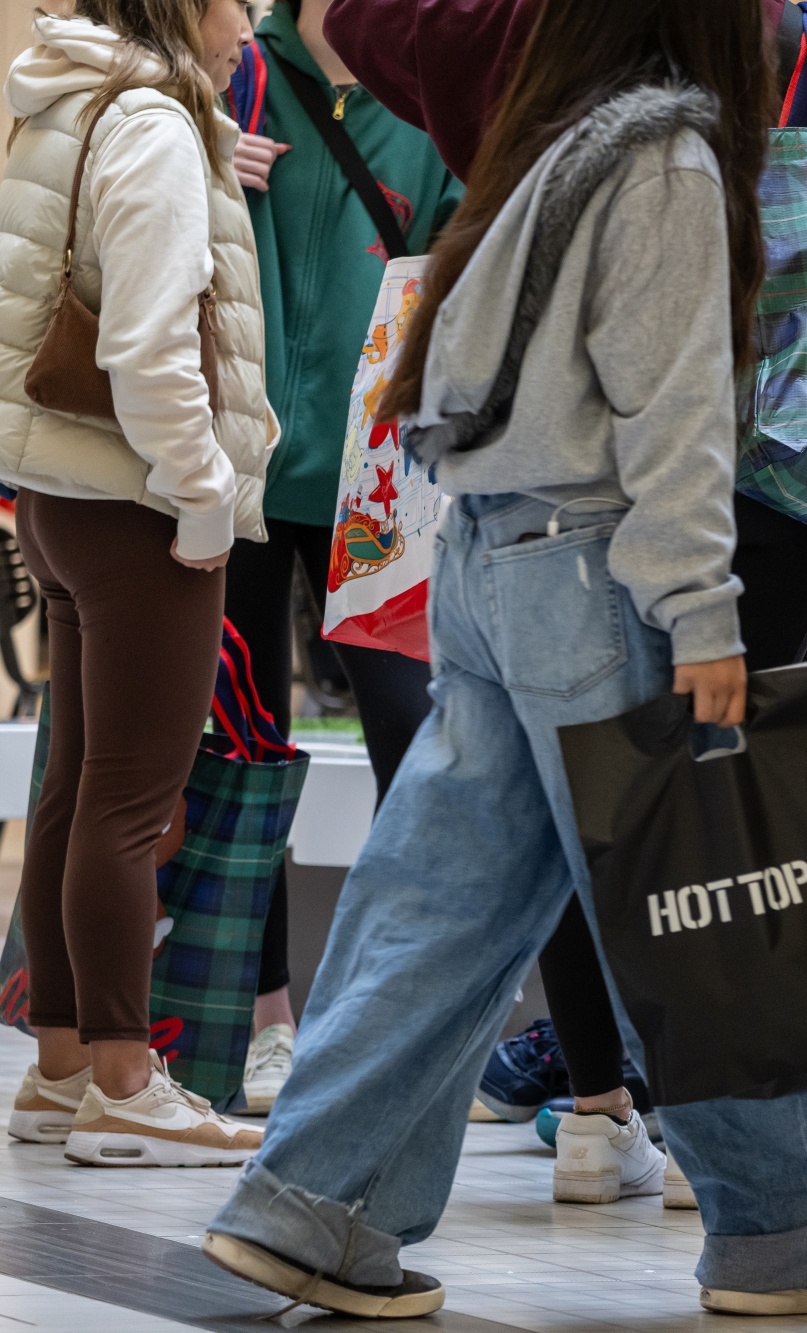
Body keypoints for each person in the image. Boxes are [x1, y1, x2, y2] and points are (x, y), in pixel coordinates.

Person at [201, 1, 807, 1319]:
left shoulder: (552, 144)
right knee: (707, 901)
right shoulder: (672, 162)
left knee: (436, 904)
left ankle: (314, 1201)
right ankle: (795, 1233)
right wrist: (706, 619)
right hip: (600, 570)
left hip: (489, 558)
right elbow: (677, 417)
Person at [0, 1, 273, 1166]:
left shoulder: (61, 94)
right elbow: (151, 344)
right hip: (137, 501)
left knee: (73, 787)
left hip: (59, 490)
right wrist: (204, 492)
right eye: (239, 5)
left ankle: (61, 1068)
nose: (249, 32)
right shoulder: (155, 122)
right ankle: (123, 1079)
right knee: (128, 801)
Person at [221, 0, 462, 1116]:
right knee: (241, 747)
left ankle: (391, 1020)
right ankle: (264, 1021)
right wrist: (209, 168)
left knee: (410, 746)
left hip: (380, 479)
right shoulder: (236, 78)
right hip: (242, 472)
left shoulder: (428, 76)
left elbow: (475, 249)